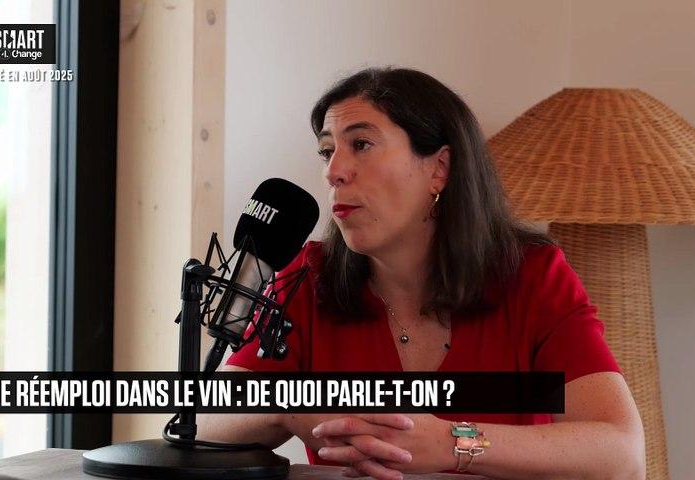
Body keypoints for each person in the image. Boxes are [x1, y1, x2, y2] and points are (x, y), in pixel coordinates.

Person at [197, 67, 645, 480]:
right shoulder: (309, 275)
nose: (333, 172)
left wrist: (454, 443)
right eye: (327, 151)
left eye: (361, 144)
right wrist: (296, 404)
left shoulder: (533, 276)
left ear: (439, 169)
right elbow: (202, 421)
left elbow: (622, 455)